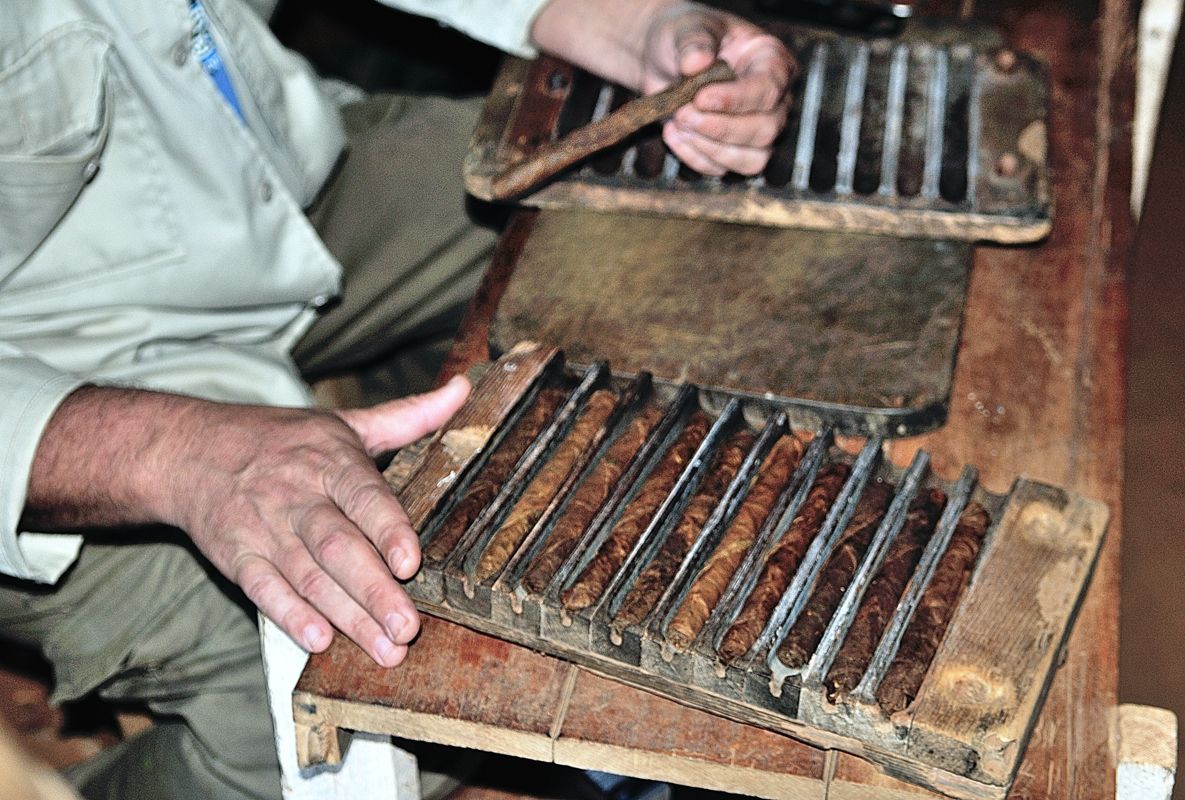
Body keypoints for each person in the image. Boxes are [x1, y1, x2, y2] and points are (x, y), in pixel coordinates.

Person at [0, 1, 796, 797]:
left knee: (619, 226)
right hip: (52, 374)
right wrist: (177, 453)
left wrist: (630, 23)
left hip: (266, 168)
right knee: (343, 712)